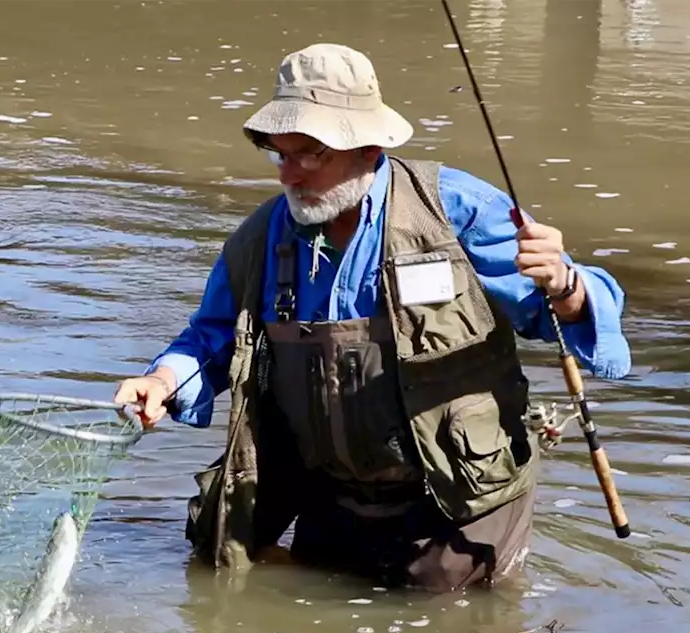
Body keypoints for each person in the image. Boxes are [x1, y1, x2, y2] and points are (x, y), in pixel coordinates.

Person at [113, 43, 632, 594]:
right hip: (330, 499)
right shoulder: (261, 239)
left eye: (310, 154)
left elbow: (574, 309)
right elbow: (214, 337)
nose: (289, 174)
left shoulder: (455, 209)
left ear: (367, 148)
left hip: (458, 506)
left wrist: (566, 286)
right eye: (278, 154)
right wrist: (163, 381)